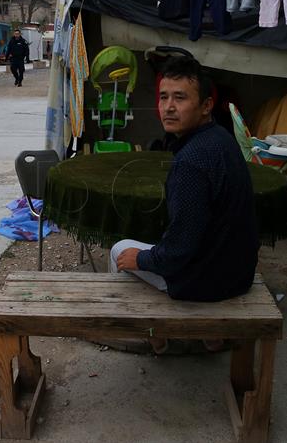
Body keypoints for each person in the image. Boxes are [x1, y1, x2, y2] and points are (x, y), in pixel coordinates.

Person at [110, 55, 258, 308]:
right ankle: (203, 337)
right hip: (238, 273)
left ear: (206, 106)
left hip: (206, 282)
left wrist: (141, 260)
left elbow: (179, 249)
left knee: (120, 250)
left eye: (180, 98)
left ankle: (143, 333)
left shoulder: (191, 161)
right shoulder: (221, 137)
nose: (168, 107)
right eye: (163, 97)